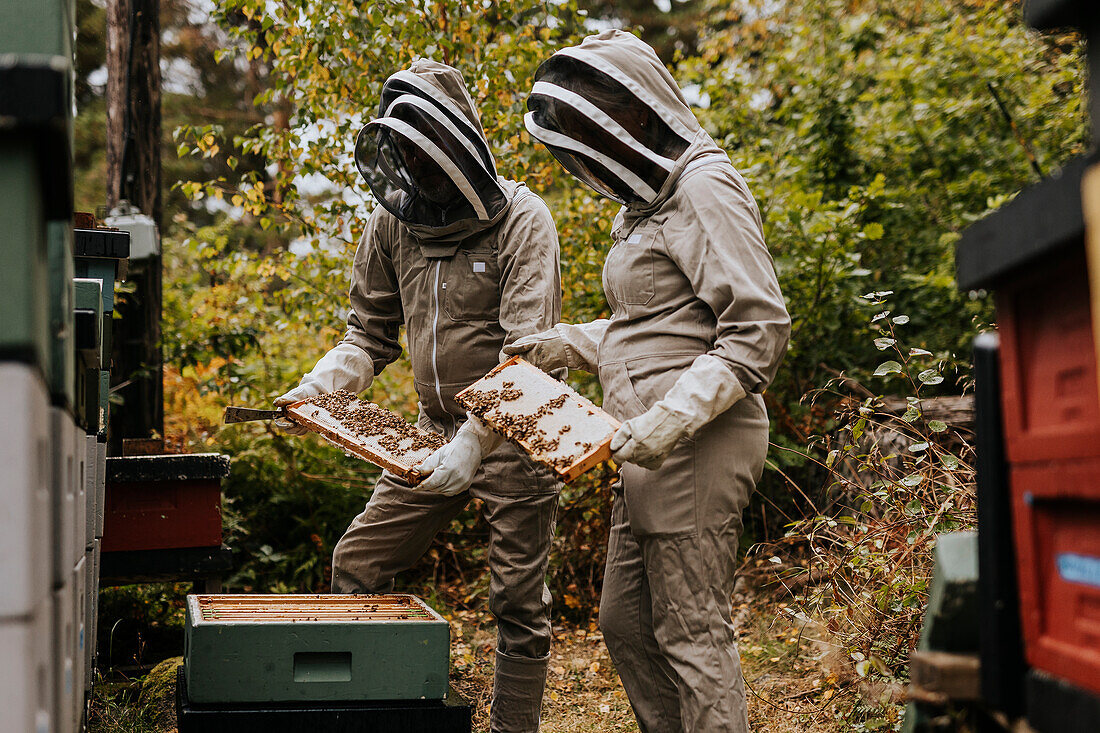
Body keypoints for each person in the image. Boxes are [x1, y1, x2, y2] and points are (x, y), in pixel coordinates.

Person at [505, 30, 791, 732]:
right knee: (625, 621)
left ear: (634, 114)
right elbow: (652, 325)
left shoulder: (704, 186)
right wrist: (564, 343)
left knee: (693, 632)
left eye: (584, 129)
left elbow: (756, 328)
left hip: (694, 445)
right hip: (642, 447)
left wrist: (665, 420)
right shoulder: (646, 208)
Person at [274, 60, 563, 733]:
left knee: (518, 600)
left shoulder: (523, 219)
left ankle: (512, 729)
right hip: (431, 430)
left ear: (460, 145)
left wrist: (476, 439)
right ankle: (363, 711)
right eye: (406, 155)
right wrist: (325, 383)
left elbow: (528, 357)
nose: (417, 170)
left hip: (521, 429)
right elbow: (367, 333)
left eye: (427, 154)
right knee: (358, 562)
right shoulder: (390, 224)